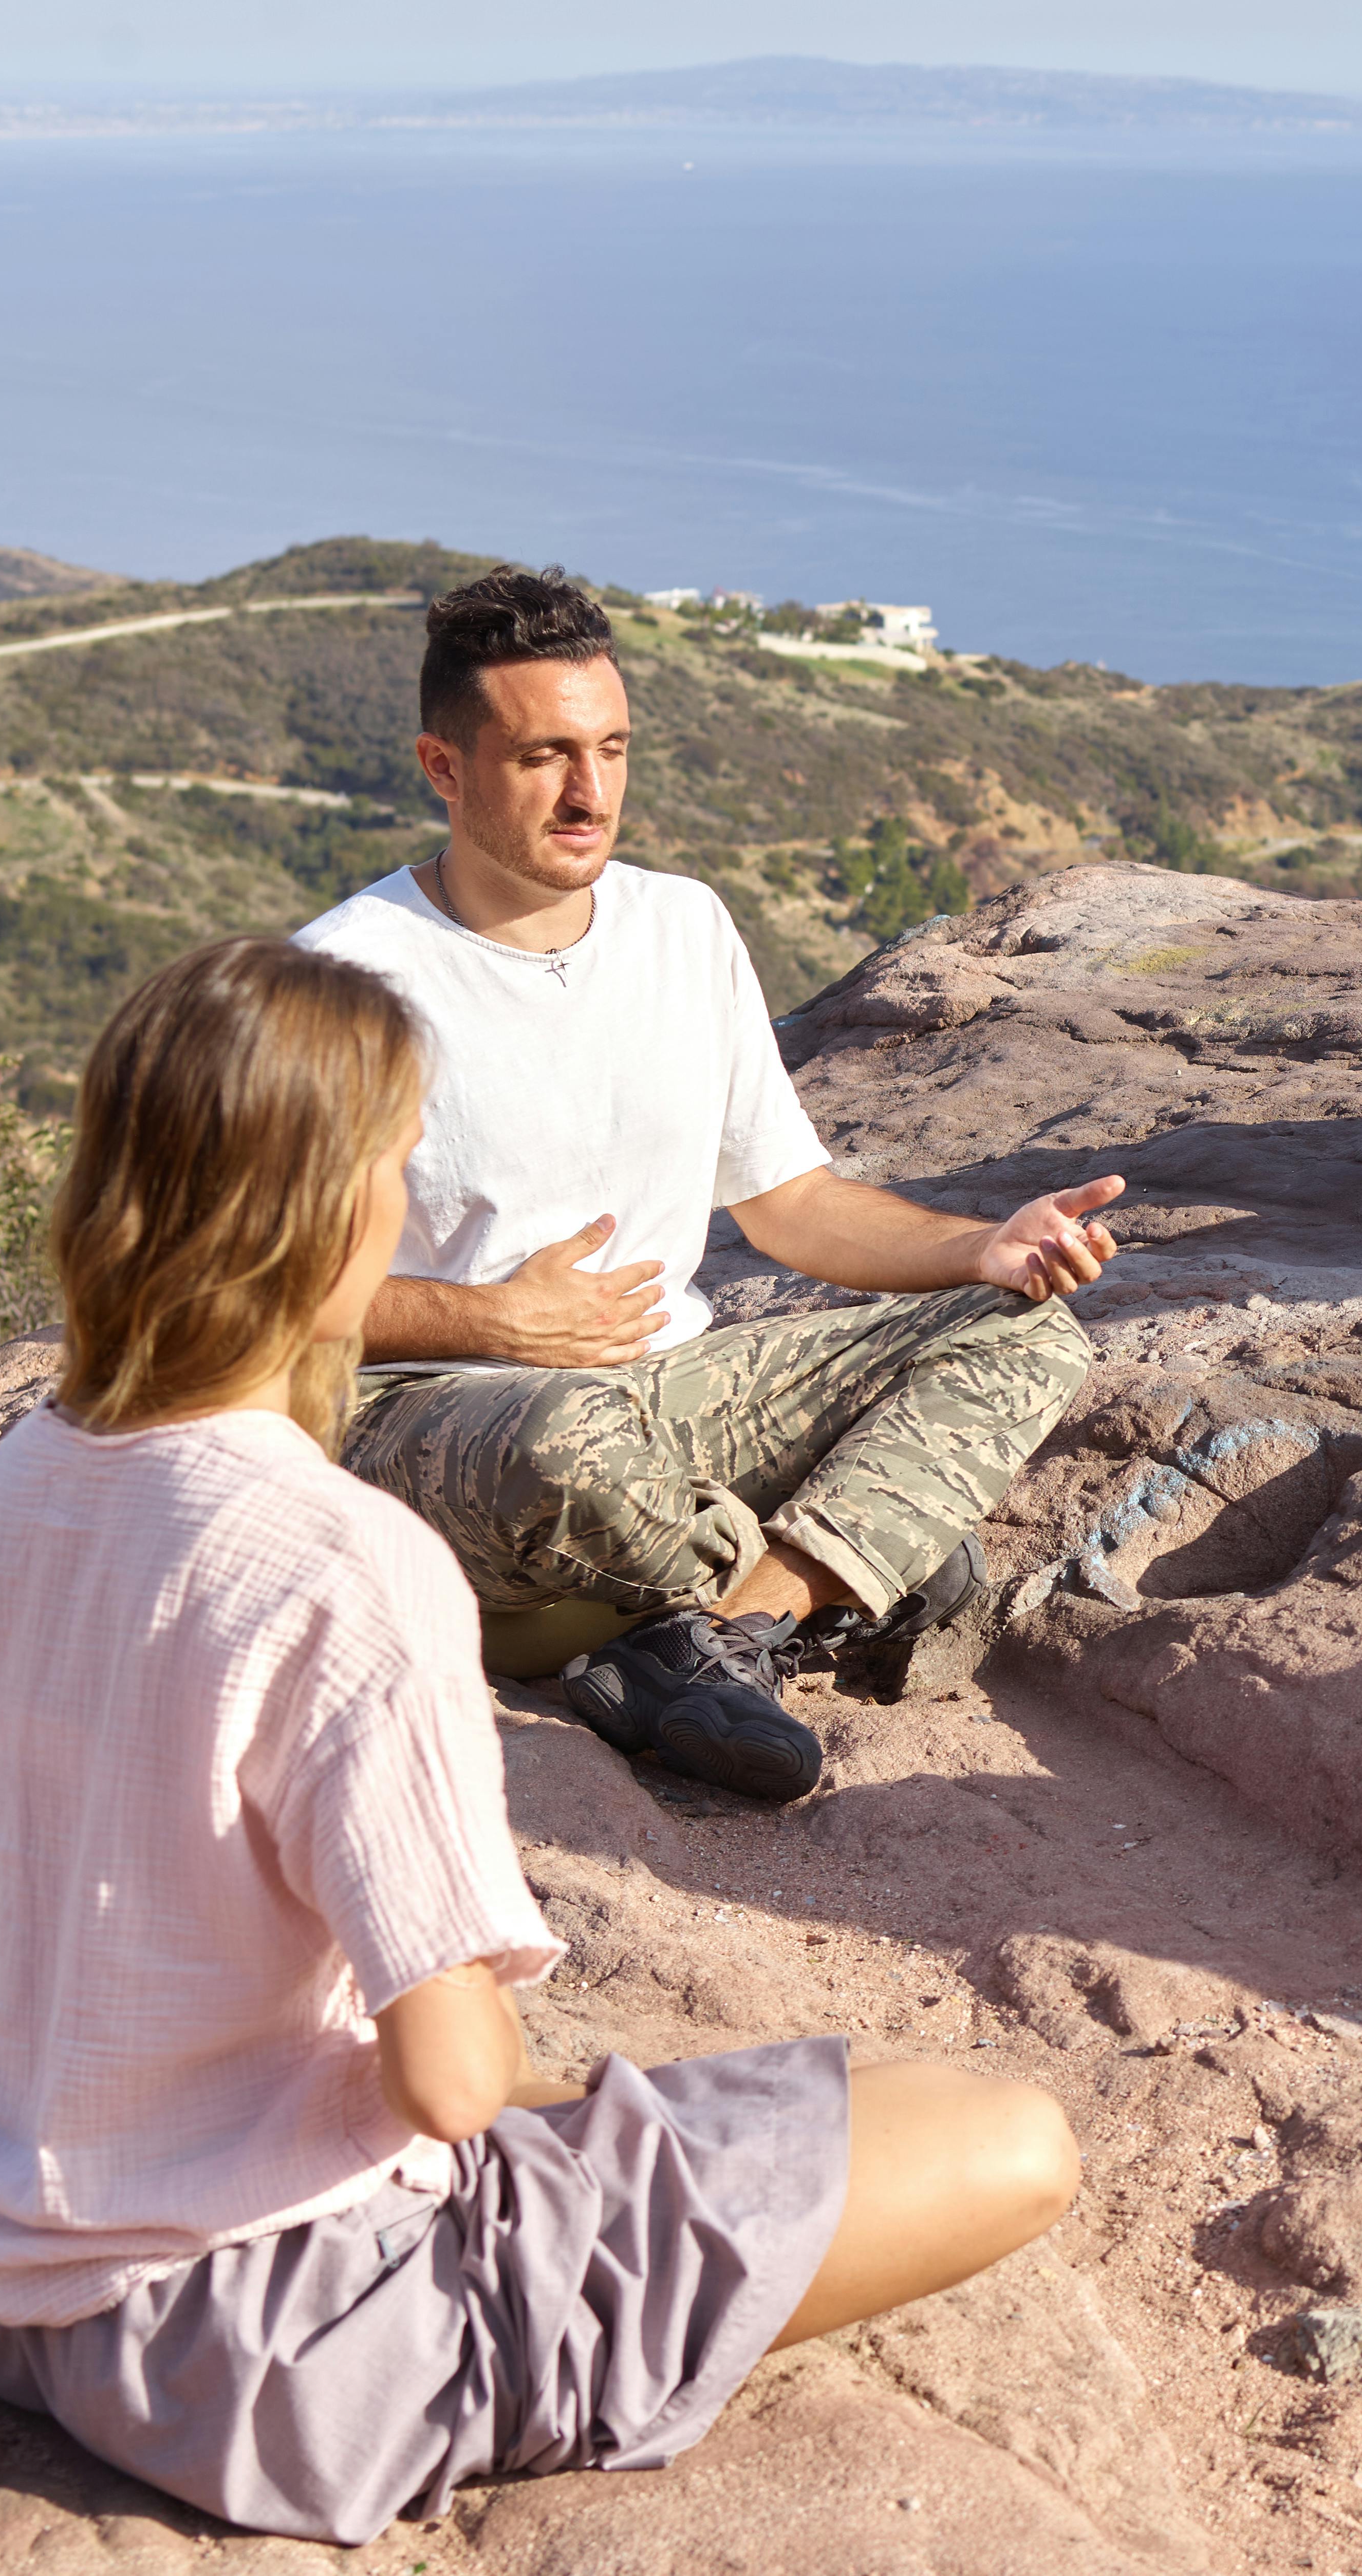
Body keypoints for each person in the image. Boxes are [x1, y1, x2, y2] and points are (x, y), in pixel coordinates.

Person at [0, 935, 1085, 2546]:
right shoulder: (340, 1561)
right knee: (1003, 2139)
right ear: (323, 1210)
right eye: (394, 1162)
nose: (402, 1200)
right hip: (273, 2340)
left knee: (826, 2092)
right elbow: (453, 2087)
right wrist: (588, 2105)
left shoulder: (30, 1477)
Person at [300, 568, 1127, 1803]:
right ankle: (851, 1571)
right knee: (569, 1444)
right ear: (444, 765)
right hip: (444, 1412)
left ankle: (721, 1635)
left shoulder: (682, 928)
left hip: (670, 1393)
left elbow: (788, 1202)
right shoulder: (347, 979)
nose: (591, 792)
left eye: (612, 748)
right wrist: (493, 1320)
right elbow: (269, 1296)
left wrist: (982, 1251)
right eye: (545, 756)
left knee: (1027, 1333)